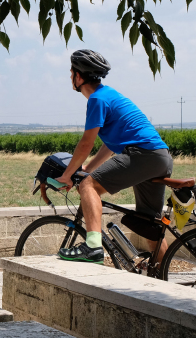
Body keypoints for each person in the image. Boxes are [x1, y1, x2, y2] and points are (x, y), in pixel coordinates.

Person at [56, 49, 174, 264]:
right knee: (149, 225)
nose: (70, 77)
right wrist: (86, 170)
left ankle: (92, 247)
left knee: (88, 187)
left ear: (78, 76)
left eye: (71, 73)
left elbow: (86, 143)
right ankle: (161, 274)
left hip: (142, 155)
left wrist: (68, 175)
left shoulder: (97, 100)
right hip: (160, 157)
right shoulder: (109, 94)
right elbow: (108, 147)